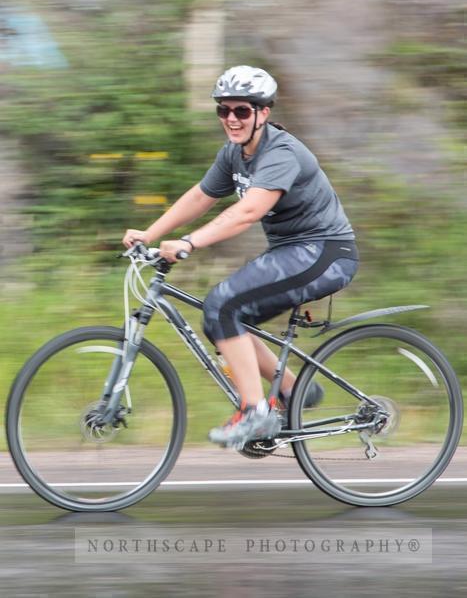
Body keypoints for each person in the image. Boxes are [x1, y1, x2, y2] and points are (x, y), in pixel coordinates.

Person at [122, 65, 359, 449]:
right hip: (291, 251)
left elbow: (248, 212)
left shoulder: (281, 153)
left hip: (325, 252)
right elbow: (201, 196)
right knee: (220, 316)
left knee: (223, 305)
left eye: (242, 110)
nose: (231, 119)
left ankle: (254, 413)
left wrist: (189, 243)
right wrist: (150, 234)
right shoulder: (234, 153)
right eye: (224, 110)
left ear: (263, 112)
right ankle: (294, 390)